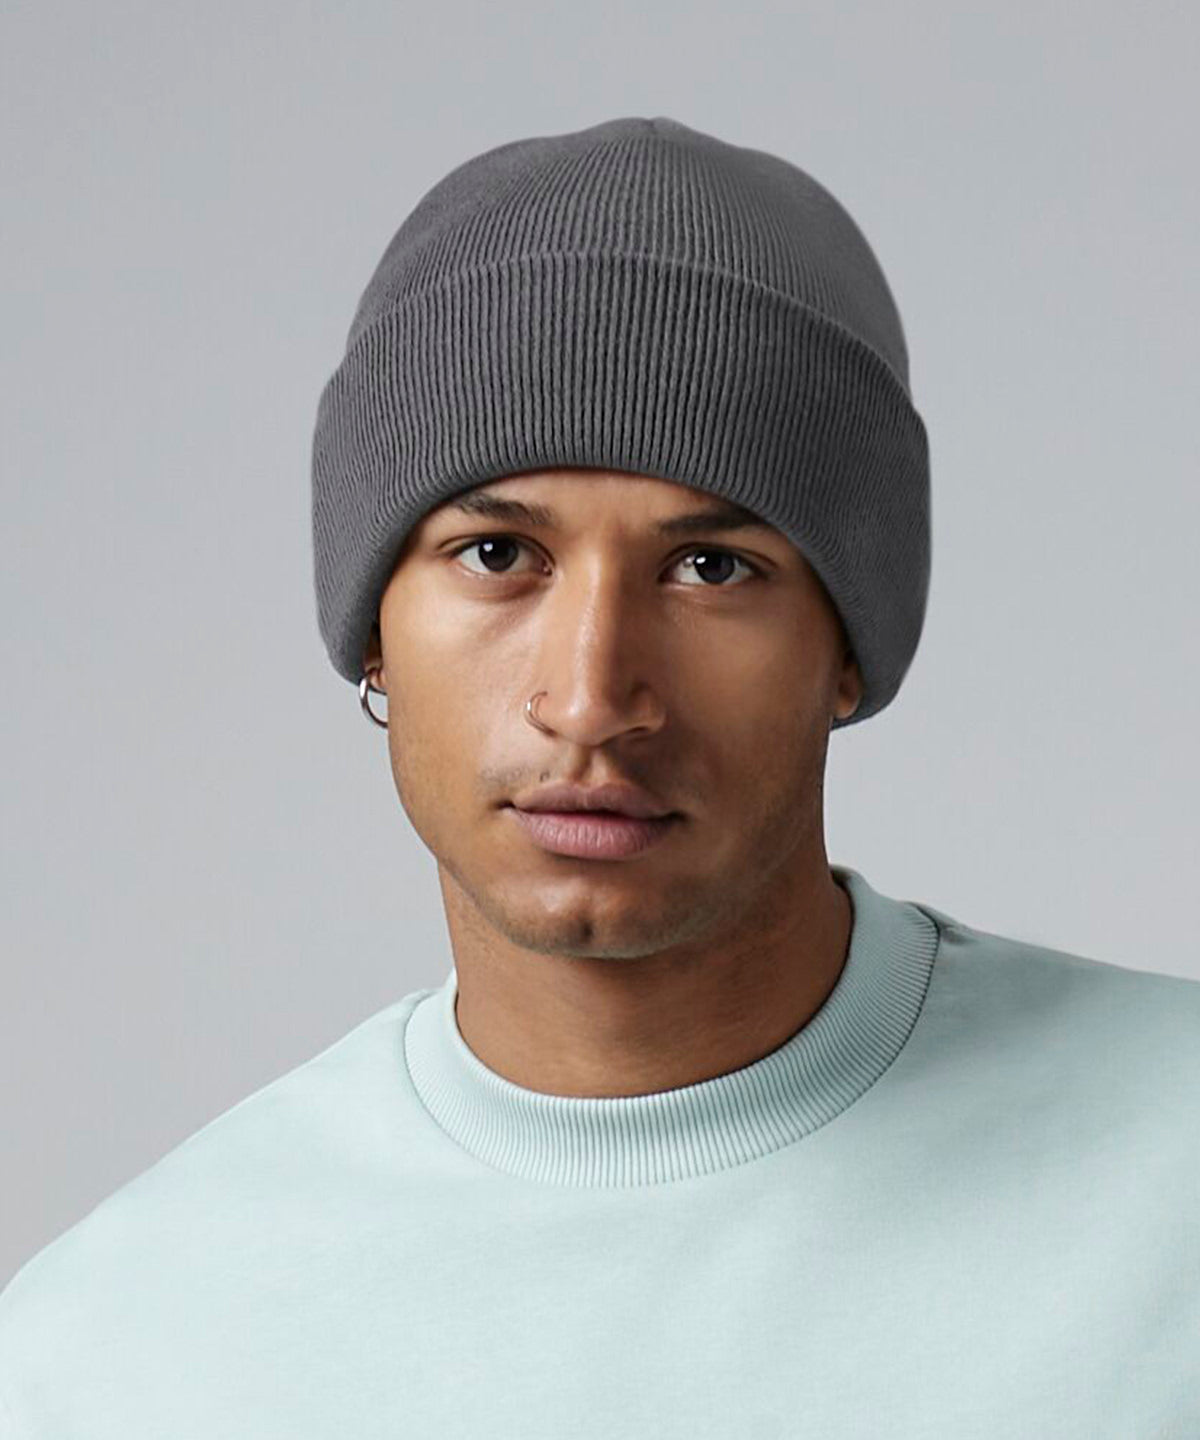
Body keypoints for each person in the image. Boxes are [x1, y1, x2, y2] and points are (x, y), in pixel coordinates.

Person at [1, 115, 1196, 1439]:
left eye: (712, 568)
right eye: (497, 555)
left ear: (847, 648)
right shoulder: (113, 1358)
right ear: (374, 632)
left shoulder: (1173, 1192)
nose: (590, 698)